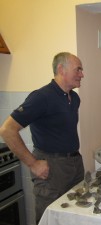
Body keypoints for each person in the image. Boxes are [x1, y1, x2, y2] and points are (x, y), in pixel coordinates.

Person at [0, 52, 85, 224]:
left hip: (74, 164)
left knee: (74, 215)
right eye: (78, 70)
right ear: (61, 69)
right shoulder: (42, 97)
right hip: (51, 169)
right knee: (50, 219)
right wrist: (33, 163)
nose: (82, 74)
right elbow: (7, 130)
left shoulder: (74, 98)